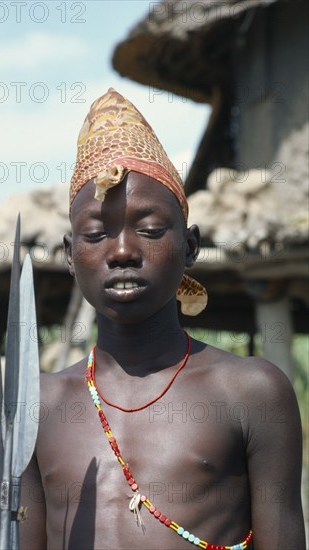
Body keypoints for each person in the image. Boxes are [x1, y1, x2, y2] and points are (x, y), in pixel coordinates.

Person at [20, 89, 305, 549]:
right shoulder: (38, 406)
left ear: (190, 246)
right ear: (71, 256)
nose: (123, 251)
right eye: (95, 235)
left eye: (150, 229)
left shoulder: (250, 392)